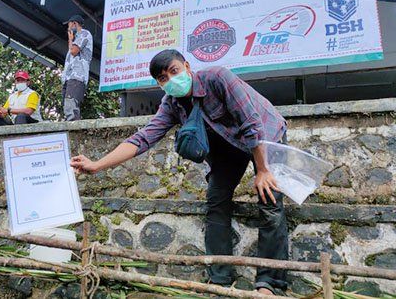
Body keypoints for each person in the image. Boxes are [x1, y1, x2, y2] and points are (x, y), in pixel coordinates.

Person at [70, 49, 289, 295]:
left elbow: (251, 123)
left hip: (266, 135)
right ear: (159, 84)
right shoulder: (171, 104)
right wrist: (97, 165)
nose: (171, 80)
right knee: (216, 202)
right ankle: (220, 278)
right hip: (228, 148)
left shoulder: (218, 78)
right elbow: (143, 138)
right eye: (163, 78)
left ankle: (270, 284)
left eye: (174, 71)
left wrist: (262, 170)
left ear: (186, 66)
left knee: (270, 201)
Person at [62, 15, 93, 121]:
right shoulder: (76, 38)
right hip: (69, 77)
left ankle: (73, 130)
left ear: (74, 23)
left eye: (69, 25)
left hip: (77, 76)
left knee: (71, 105)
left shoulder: (84, 34)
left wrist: (70, 39)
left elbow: (74, 51)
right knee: (67, 105)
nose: (68, 28)